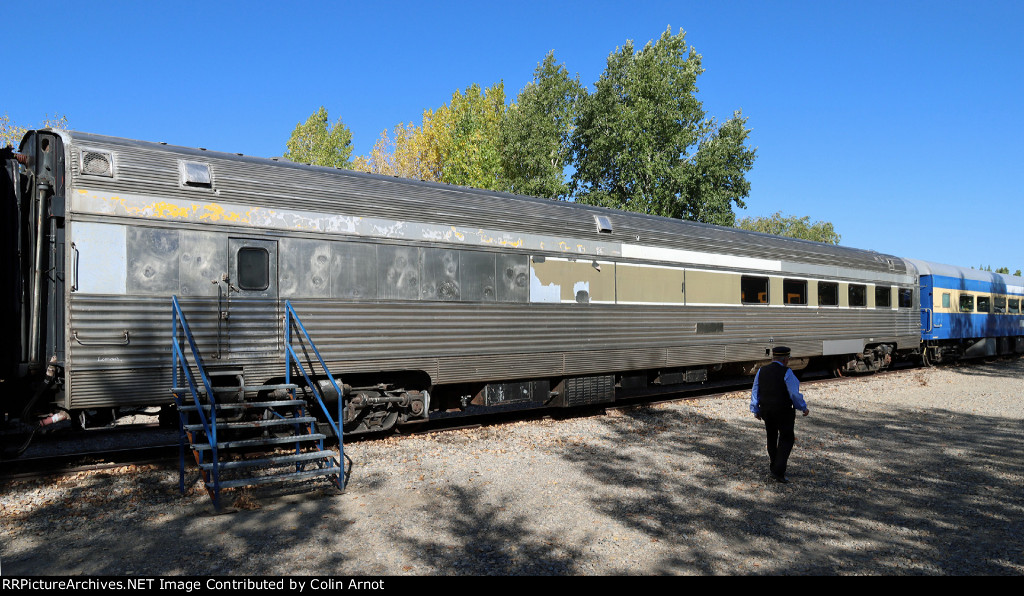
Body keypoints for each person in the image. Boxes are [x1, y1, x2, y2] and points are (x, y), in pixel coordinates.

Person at [750, 346, 809, 483]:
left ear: (773, 358)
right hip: (783, 411)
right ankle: (778, 470)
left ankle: (774, 466)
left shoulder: (761, 371)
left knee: (771, 437)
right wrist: (803, 407)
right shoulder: (787, 372)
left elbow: (755, 390)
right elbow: (793, 393)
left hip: (766, 410)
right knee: (786, 438)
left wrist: (755, 409)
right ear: (786, 359)